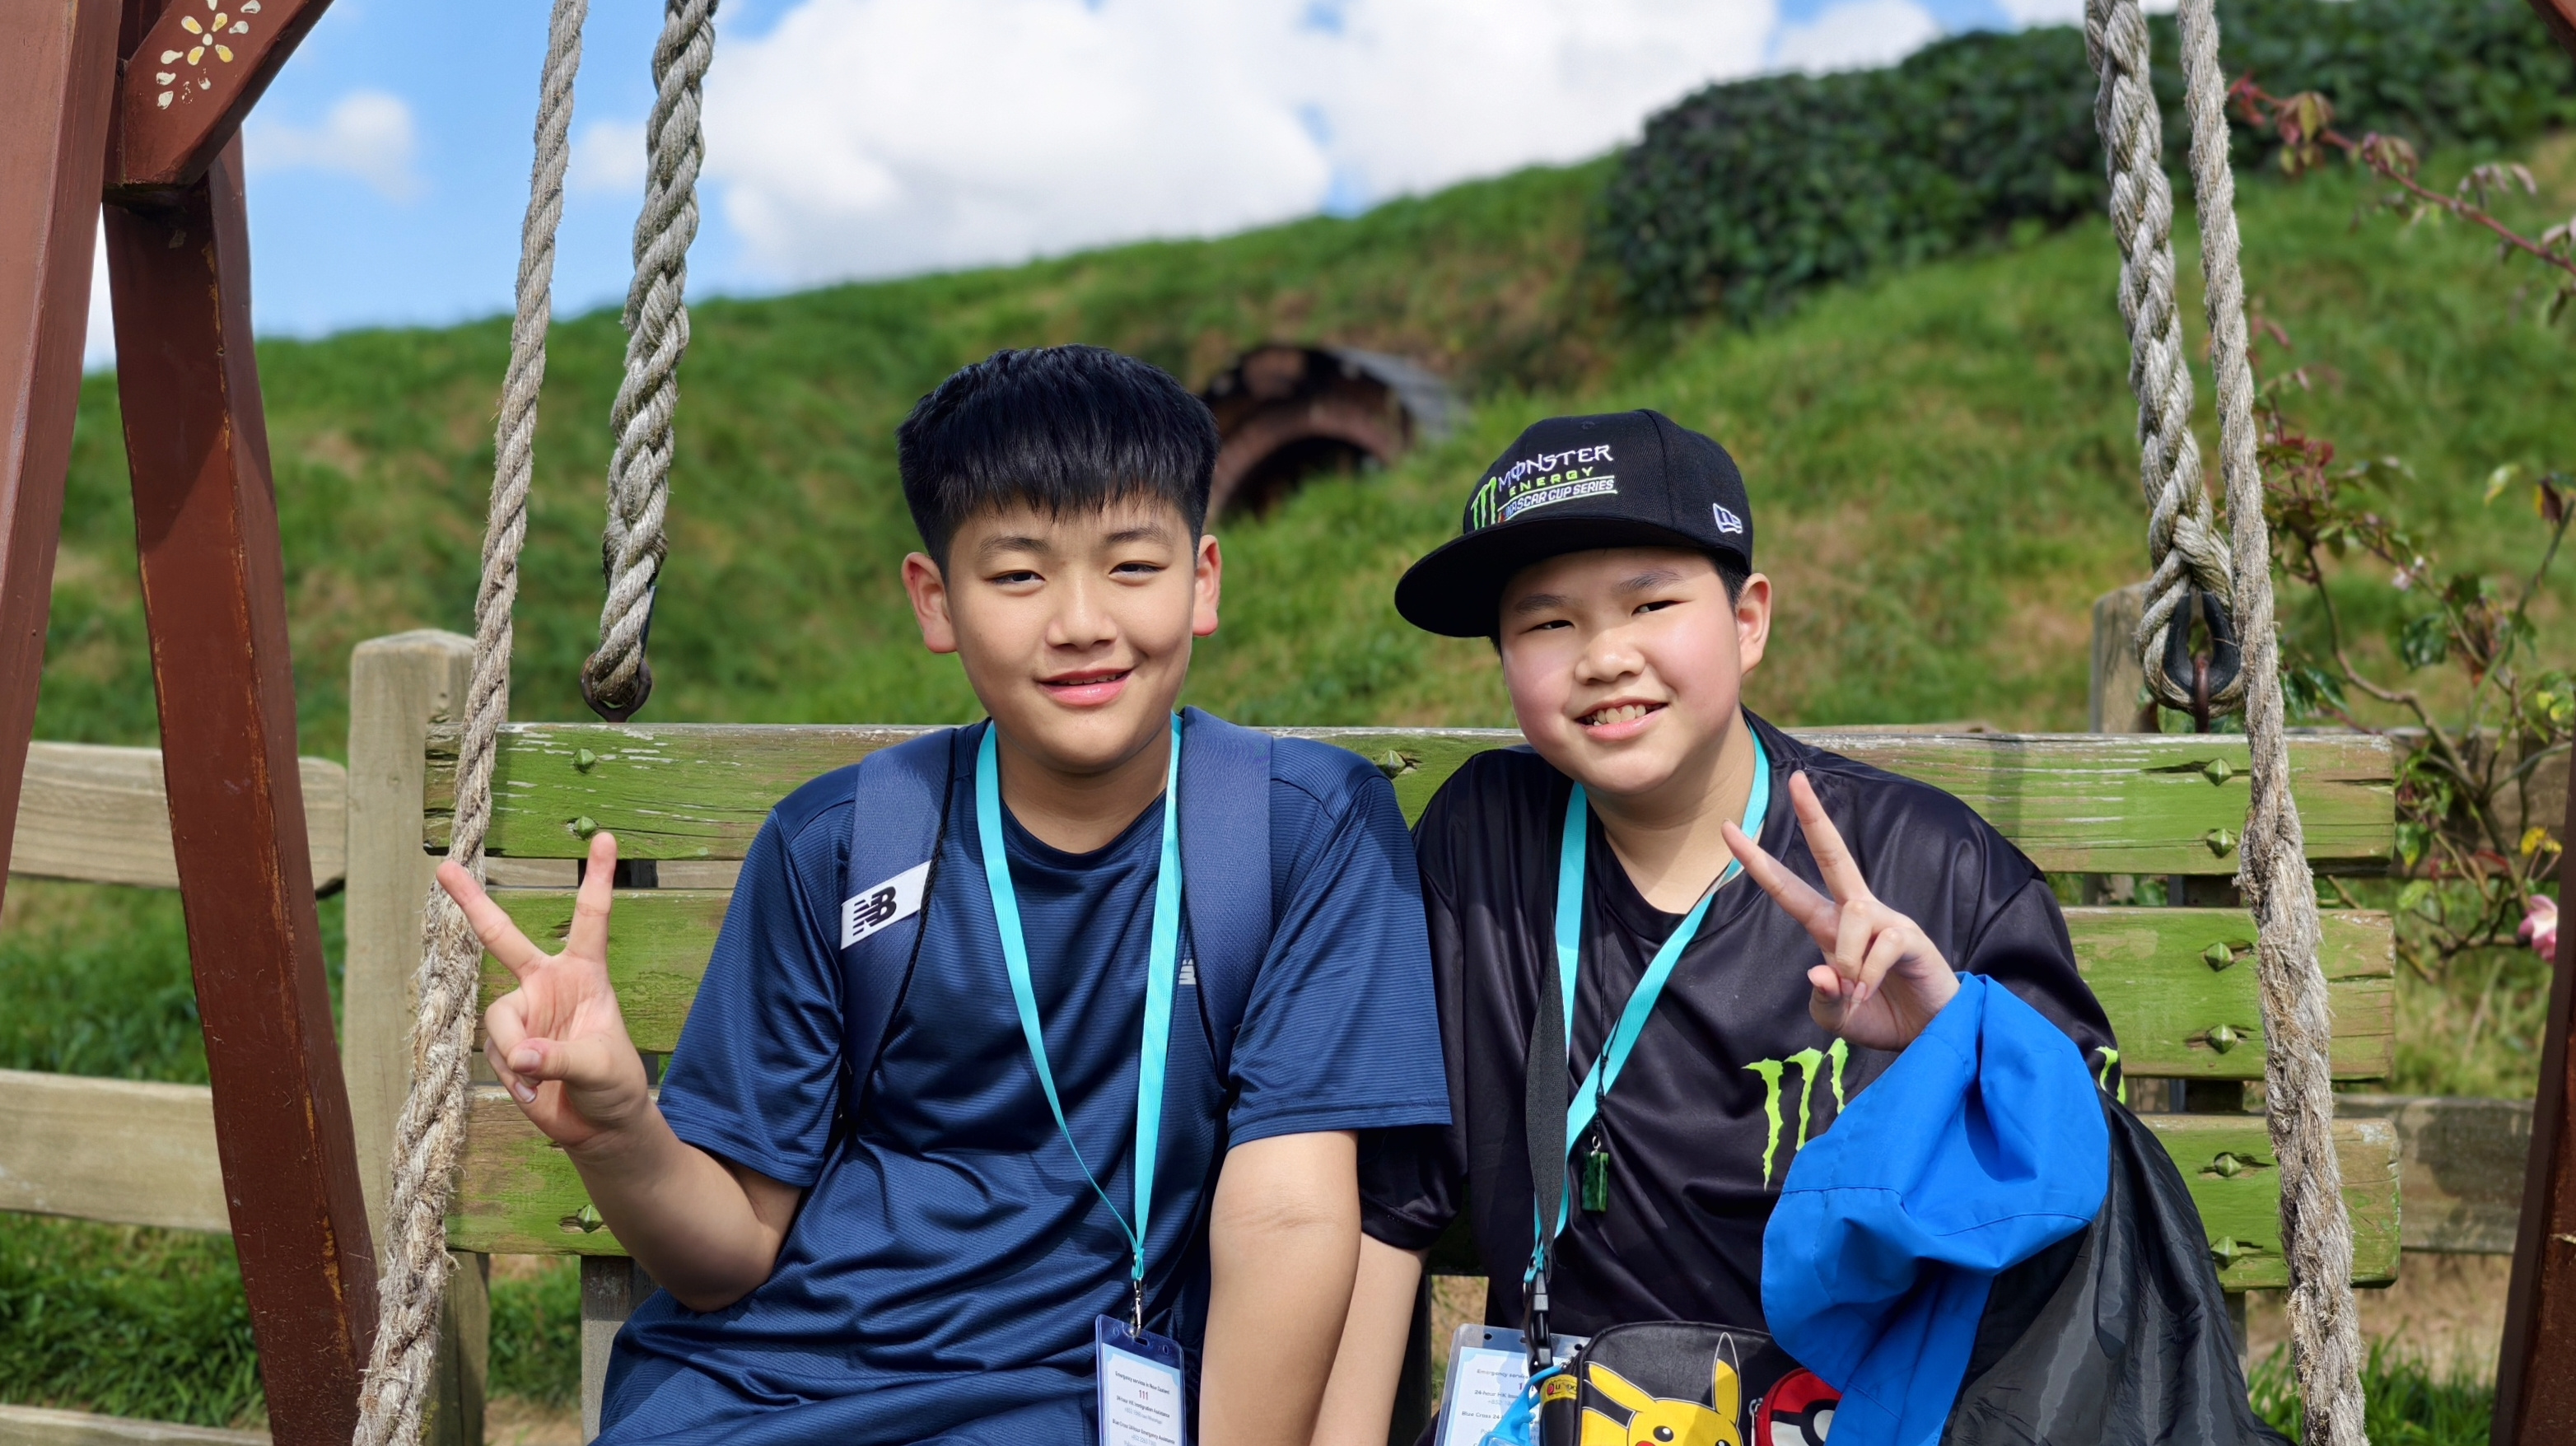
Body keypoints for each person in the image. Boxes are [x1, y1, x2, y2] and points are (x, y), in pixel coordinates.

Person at [438, 346, 1450, 1446]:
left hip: (1062, 1403)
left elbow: (1292, 1208)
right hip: (756, 1393)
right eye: (1017, 576)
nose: (1080, 621)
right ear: (937, 601)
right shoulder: (840, 843)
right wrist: (618, 1127)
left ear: (1202, 580)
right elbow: (728, 1254)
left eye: (1131, 565)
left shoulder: (1300, 831)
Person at [1312, 410, 2131, 1445]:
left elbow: (2090, 1200)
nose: (1603, 656)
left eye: (1649, 603)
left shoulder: (1932, 867)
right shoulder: (1484, 846)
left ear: (1748, 620)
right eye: (1546, 623)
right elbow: (1394, 1202)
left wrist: (1952, 1035)